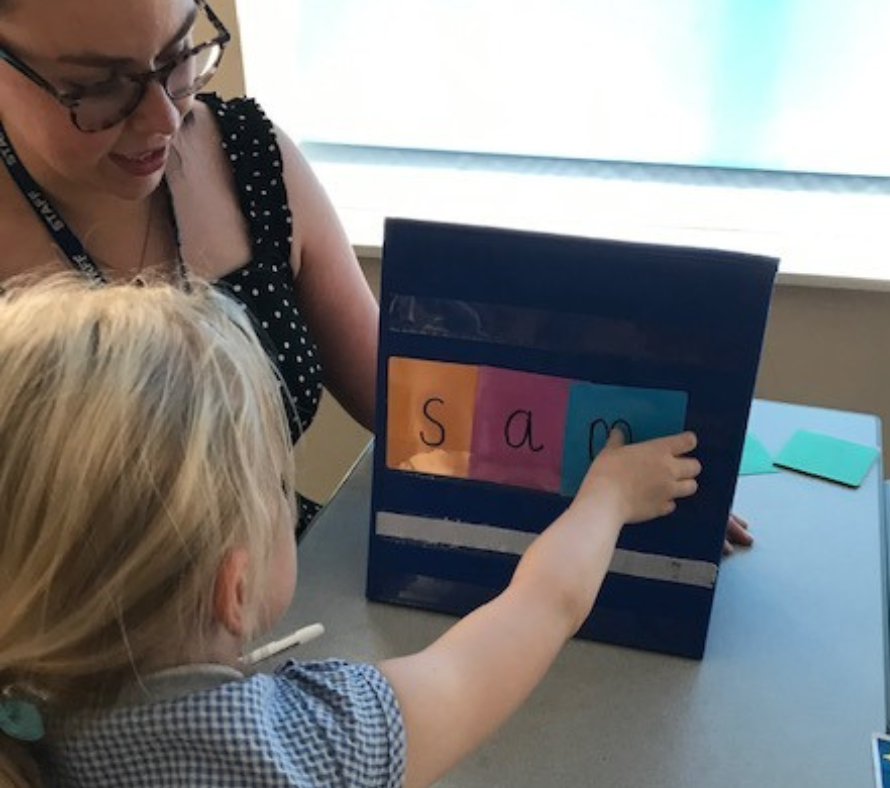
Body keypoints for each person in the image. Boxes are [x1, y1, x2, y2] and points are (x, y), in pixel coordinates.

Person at [0, 0, 751, 550]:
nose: (163, 118)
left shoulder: (250, 158)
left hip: (269, 600)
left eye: (178, 57)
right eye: (98, 87)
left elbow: (413, 407)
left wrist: (603, 484)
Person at [0, 275, 702, 787]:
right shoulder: (311, 744)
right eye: (280, 486)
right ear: (234, 589)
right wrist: (607, 497)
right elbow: (539, 609)